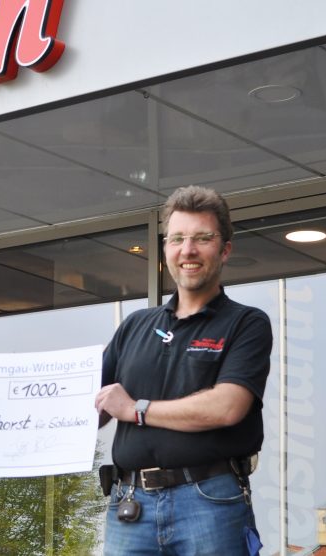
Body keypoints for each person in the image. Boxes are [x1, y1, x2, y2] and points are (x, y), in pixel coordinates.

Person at [94, 185, 273, 555]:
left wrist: (136, 409)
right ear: (165, 250)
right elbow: (85, 410)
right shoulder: (134, 326)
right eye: (177, 239)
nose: (187, 250)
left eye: (202, 238)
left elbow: (226, 406)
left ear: (224, 249)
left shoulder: (246, 324)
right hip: (130, 504)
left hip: (210, 503)